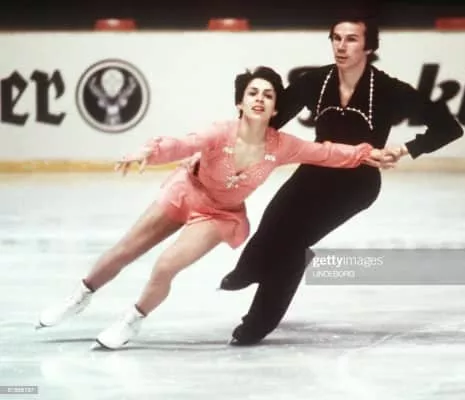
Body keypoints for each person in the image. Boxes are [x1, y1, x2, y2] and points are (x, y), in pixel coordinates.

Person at [36, 66, 394, 350]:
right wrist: (148, 151)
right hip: (185, 192)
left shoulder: (282, 144)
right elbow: (181, 144)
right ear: (240, 102)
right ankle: (80, 296)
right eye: (253, 93)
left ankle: (131, 320)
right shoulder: (220, 133)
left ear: (275, 109)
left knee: (166, 265)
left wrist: (367, 153)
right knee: (125, 250)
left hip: (219, 215)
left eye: (268, 95)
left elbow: (327, 152)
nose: (260, 99)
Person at [220, 12, 464, 346]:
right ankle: (250, 267)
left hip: (357, 183)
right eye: (336, 38)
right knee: (275, 217)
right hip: (315, 170)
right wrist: (239, 137)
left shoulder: (388, 90)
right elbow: (270, 121)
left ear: (369, 47)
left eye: (351, 39)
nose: (341, 46)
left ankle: (256, 323)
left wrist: (405, 149)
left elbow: (448, 127)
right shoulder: (316, 81)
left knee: (292, 243)